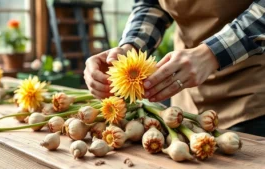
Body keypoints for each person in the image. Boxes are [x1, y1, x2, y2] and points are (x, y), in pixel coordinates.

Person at [84, 0, 265, 137]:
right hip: (185, 97)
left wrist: (212, 53)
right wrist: (130, 48)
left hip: (251, 94)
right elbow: (151, 3)